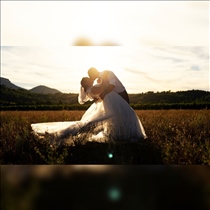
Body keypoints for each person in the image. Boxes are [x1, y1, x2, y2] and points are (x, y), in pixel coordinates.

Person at [31, 76, 147, 145]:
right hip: (108, 105)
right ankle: (61, 134)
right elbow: (104, 89)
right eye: (89, 79)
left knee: (90, 125)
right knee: (85, 126)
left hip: (107, 105)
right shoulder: (92, 88)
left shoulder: (90, 89)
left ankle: (120, 134)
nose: (91, 80)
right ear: (87, 83)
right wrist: (104, 79)